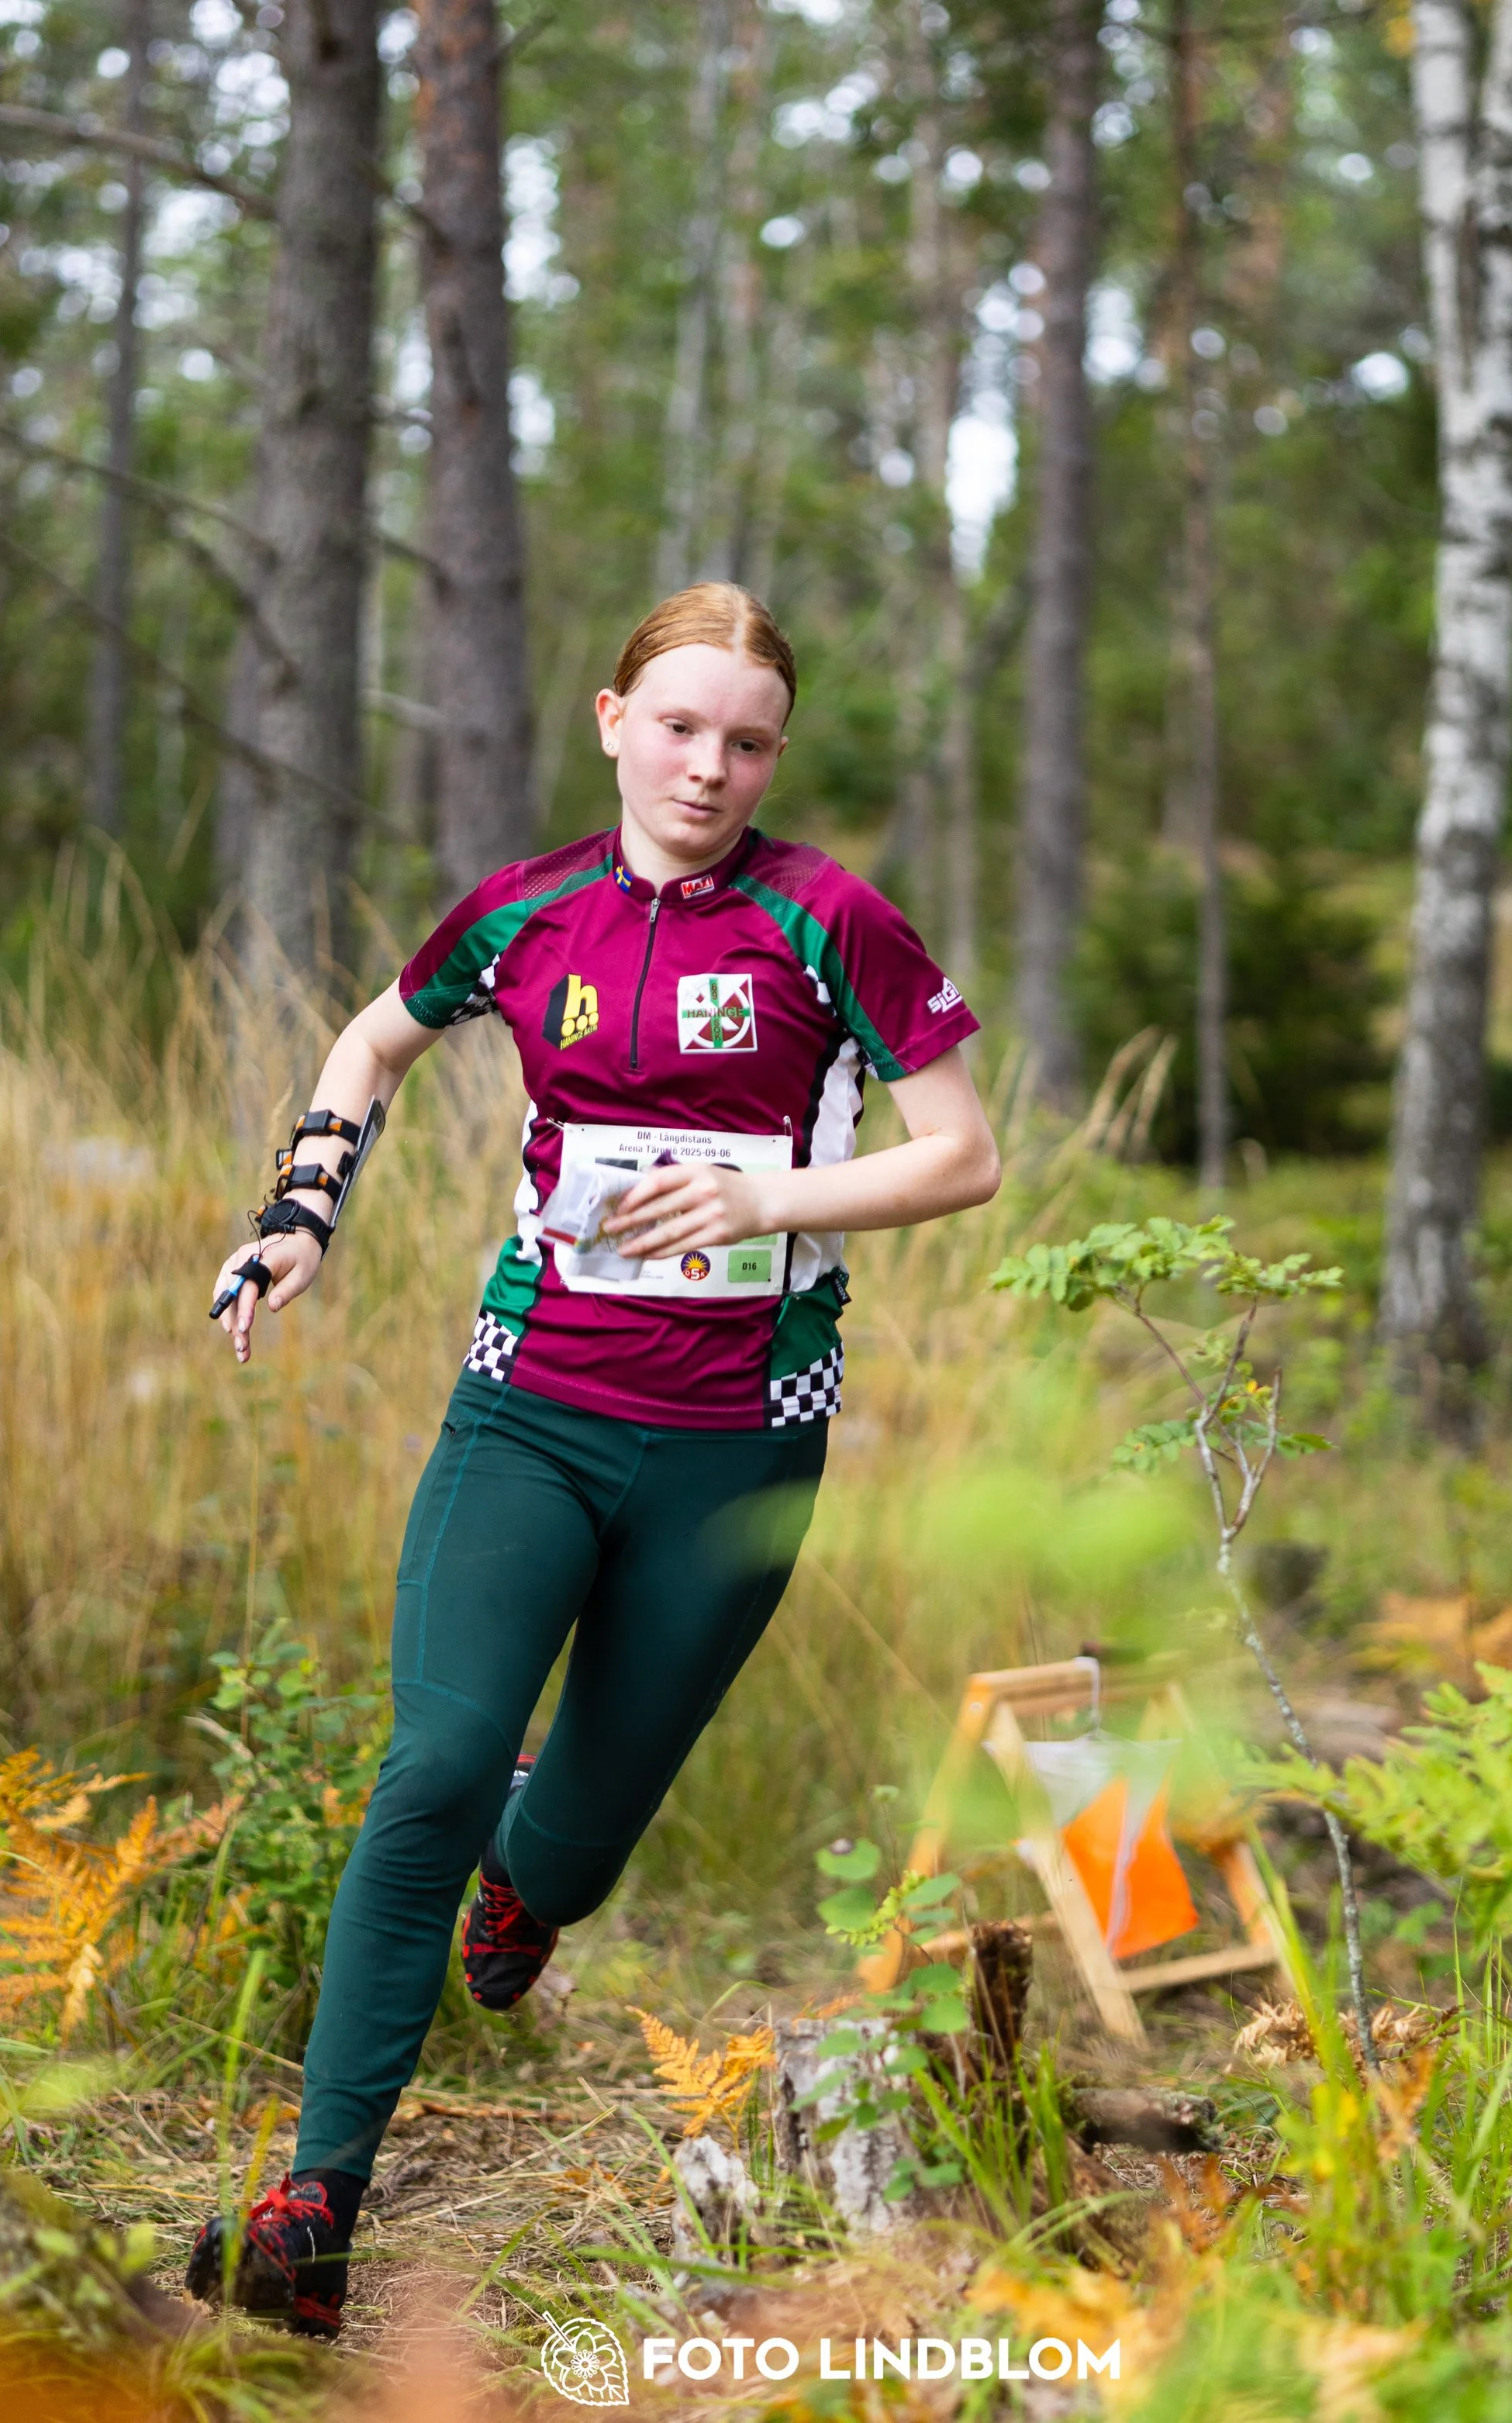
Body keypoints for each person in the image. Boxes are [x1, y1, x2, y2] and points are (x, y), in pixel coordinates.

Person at [185, 583, 1000, 2337]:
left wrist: (769, 1194)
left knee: (578, 1828)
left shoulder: (826, 918)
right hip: (529, 1406)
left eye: (749, 739)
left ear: (773, 754)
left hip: (739, 1449)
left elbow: (962, 1154)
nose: (711, 765)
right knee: (438, 1760)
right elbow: (372, 1040)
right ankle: (317, 2194)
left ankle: (537, 1881)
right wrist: (299, 1213)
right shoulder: (528, 909)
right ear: (613, 718)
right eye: (683, 725)